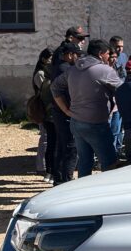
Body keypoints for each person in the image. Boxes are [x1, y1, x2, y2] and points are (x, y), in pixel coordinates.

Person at [52, 39, 123, 178]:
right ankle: (110, 189)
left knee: (85, 161)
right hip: (96, 123)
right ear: (101, 54)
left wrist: (66, 110)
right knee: (109, 162)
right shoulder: (104, 70)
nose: (109, 57)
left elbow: (55, 87)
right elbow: (122, 90)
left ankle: (84, 189)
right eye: (108, 54)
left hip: (76, 121)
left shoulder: (73, 69)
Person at [47, 42, 82, 183]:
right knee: (70, 148)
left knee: (62, 147)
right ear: (70, 55)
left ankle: (59, 179)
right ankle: (66, 181)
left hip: (60, 112)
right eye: (77, 55)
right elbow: (65, 92)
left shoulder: (59, 67)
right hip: (65, 113)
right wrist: (68, 110)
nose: (79, 58)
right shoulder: (66, 70)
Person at [31, 49, 54, 179]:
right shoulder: (40, 74)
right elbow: (45, 91)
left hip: (48, 108)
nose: (51, 61)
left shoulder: (48, 72)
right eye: (50, 58)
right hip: (44, 108)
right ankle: (41, 166)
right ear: (44, 59)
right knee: (45, 138)